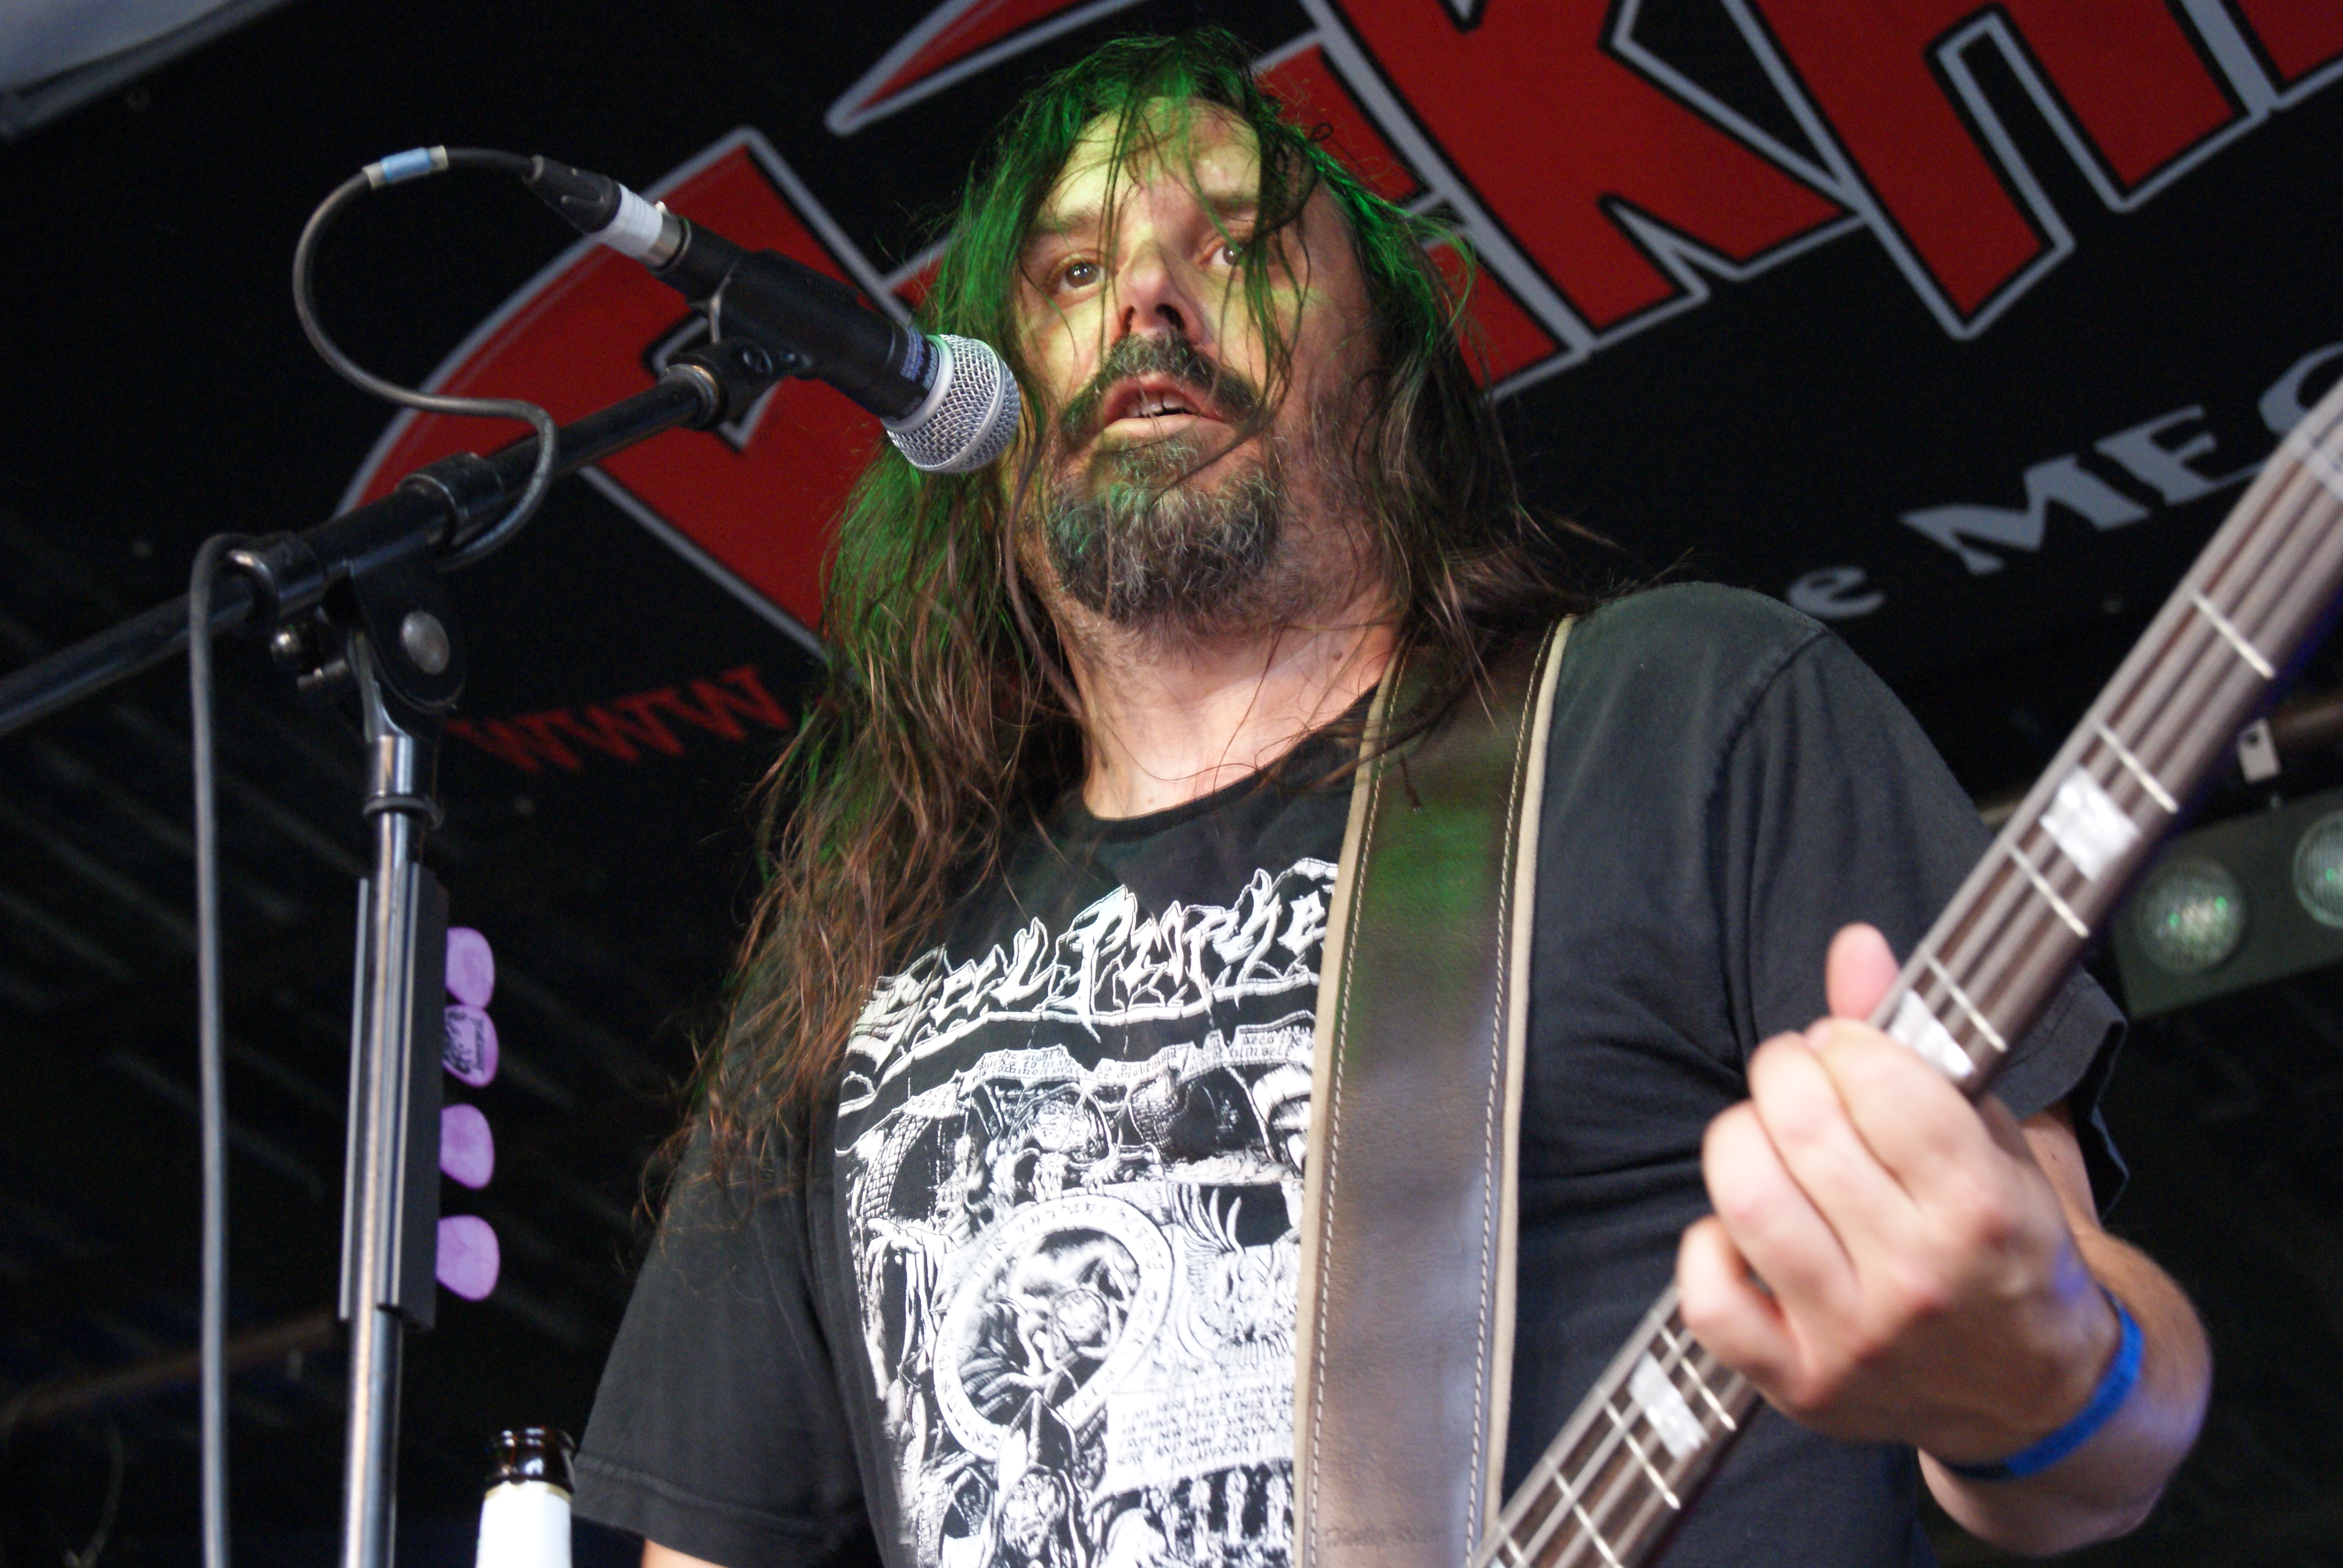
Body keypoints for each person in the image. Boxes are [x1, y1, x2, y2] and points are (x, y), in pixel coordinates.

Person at [572, 30, 2209, 1568]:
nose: (1148, 297)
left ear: (1386, 375)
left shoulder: (1684, 718)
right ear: (984, 416)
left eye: (1237, 247)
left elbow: (2106, 1413)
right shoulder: (862, 956)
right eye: (1073, 273)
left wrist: (2046, 1374)